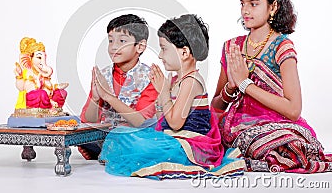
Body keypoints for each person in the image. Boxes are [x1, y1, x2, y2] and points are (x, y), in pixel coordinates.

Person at [211, 0, 332, 173]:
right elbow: (216, 107)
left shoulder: (282, 47)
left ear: (273, 7)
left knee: (290, 146)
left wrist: (245, 84)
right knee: (212, 135)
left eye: (254, 3)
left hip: (278, 125)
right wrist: (231, 87)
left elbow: (293, 109)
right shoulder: (232, 47)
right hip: (237, 126)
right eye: (242, 3)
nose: (245, 10)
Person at [99, 14, 245, 180]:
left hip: (189, 145)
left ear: (184, 52)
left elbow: (176, 123)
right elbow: (164, 121)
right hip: (174, 137)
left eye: (164, 49)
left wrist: (163, 92)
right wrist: (163, 94)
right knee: (121, 133)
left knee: (134, 143)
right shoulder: (177, 80)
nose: (160, 56)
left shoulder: (191, 82)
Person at [79, 14, 158, 160]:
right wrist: (95, 99)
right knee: (80, 131)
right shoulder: (104, 75)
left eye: (122, 41)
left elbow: (141, 121)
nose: (114, 46)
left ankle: (107, 151)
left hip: (132, 137)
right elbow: (88, 120)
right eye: (110, 41)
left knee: (140, 140)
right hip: (106, 134)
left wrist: (108, 96)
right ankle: (103, 149)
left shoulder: (150, 77)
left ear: (140, 46)